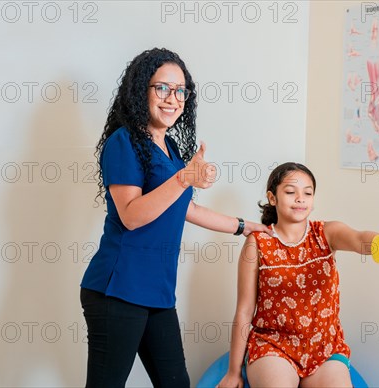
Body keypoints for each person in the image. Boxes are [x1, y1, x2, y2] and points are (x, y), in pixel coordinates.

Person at [79, 47, 270, 388]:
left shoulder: (170, 150)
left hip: (157, 292)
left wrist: (244, 226)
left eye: (181, 91)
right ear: (142, 90)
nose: (173, 98)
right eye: (162, 88)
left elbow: (187, 209)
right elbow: (132, 216)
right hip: (118, 290)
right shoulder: (123, 143)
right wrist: (184, 178)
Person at [217, 162, 379, 388]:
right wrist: (233, 373)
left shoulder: (327, 233)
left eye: (308, 193)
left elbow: (360, 240)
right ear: (273, 198)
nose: (300, 198)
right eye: (291, 192)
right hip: (273, 345)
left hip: (324, 347)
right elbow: (243, 310)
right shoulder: (257, 244)